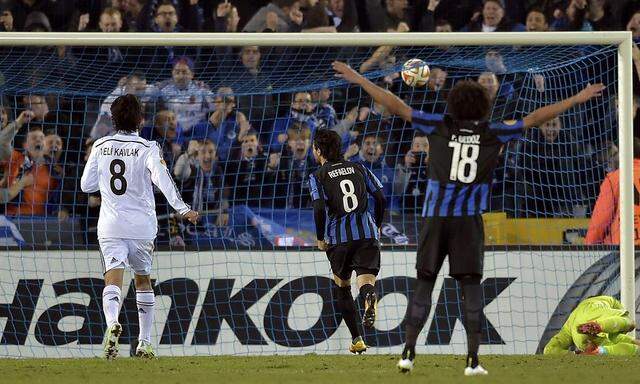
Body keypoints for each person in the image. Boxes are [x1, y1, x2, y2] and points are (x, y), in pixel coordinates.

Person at [332, 60, 604, 376]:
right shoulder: (493, 132)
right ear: (483, 105)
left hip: (435, 218)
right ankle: (473, 361)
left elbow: (397, 105)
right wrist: (576, 98)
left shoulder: (437, 125)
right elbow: (534, 118)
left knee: (424, 285)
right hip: (468, 222)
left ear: (453, 104)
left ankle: (407, 353)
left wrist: (359, 78)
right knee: (471, 288)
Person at [80, 94, 198, 359]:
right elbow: (163, 180)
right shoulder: (148, 147)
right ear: (141, 120)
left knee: (112, 276)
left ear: (113, 119)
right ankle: (144, 341)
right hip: (142, 226)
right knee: (143, 280)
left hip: (110, 224)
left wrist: (106, 183)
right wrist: (183, 209)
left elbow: (86, 186)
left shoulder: (100, 145)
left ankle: (112, 325)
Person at [309, 129, 386, 354]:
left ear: (319, 150)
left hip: (339, 239)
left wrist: (321, 237)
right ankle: (369, 297)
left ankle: (357, 339)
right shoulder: (359, 167)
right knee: (365, 281)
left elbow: (319, 206)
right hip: (366, 234)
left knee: (342, 286)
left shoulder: (317, 175)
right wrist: (378, 224)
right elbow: (381, 197)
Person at [585, 138, 640, 245]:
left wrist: (588, 248)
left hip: (623, 249)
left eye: (615, 153)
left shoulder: (614, 178)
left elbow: (599, 223)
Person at [543, 296, 637, 355]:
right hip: (598, 316)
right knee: (629, 322)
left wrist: (575, 354)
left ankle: (597, 351)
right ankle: (600, 326)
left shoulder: (570, 320)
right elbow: (618, 306)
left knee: (615, 343)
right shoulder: (603, 300)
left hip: (580, 337)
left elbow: (549, 350)